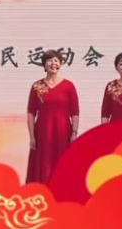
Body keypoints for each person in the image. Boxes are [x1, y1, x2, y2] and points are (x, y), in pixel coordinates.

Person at [26, 49, 79, 184]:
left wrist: (74, 133)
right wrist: (32, 136)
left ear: (60, 64)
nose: (53, 63)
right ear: (44, 65)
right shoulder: (37, 86)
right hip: (43, 132)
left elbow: (75, 112)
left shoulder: (68, 86)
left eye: (56, 61)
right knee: (43, 164)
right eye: (49, 61)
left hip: (63, 132)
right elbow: (31, 112)